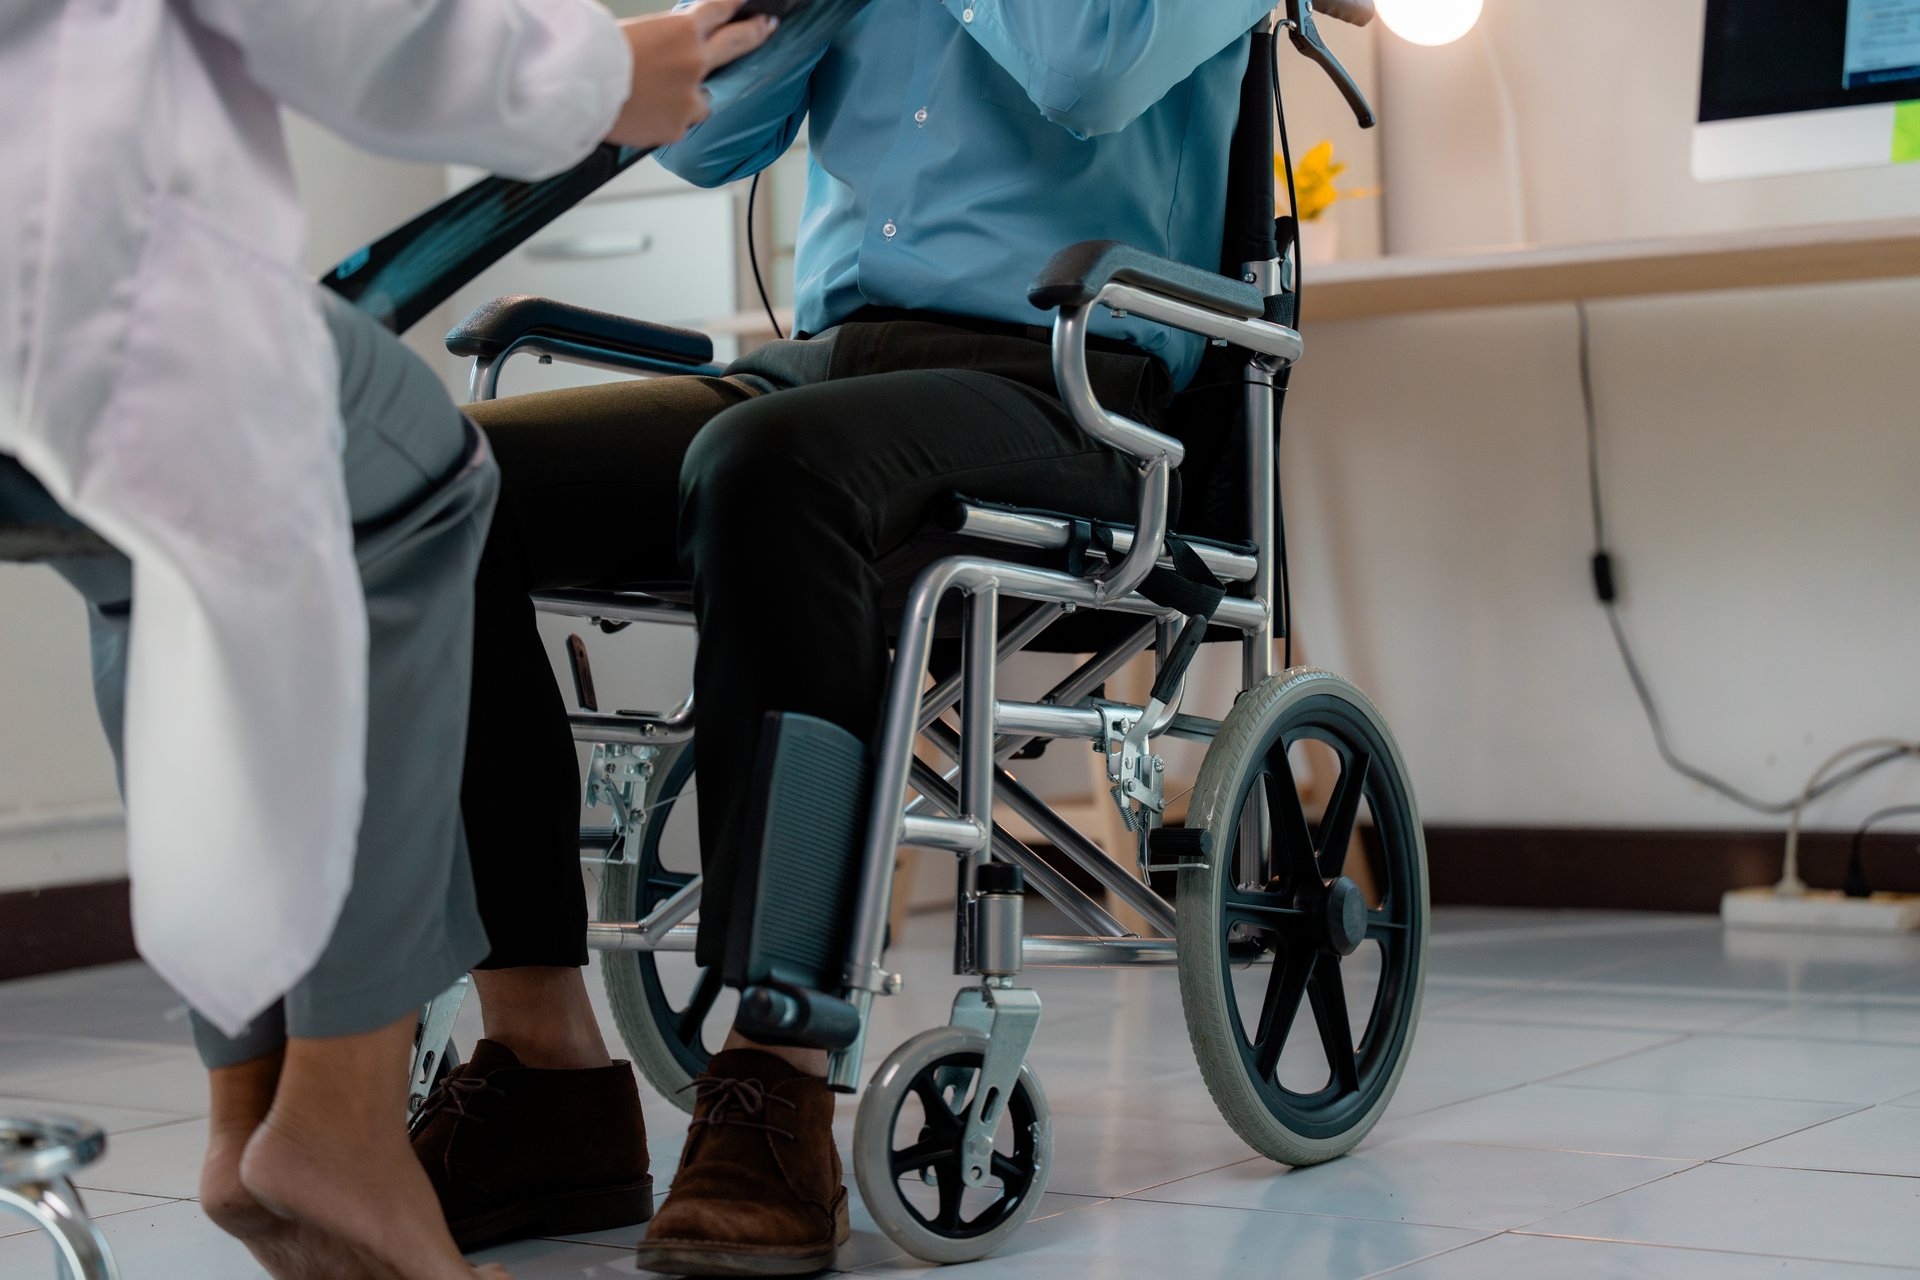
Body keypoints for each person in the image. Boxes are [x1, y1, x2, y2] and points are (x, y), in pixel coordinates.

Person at [419, 1, 1284, 1275]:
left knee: (772, 469)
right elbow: (708, 141)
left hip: (1073, 385)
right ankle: (545, 1063)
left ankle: (778, 1064)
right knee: (436, 485)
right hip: (826, 368)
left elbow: (1088, 71)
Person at [0, 3, 772, 1278]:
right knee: (424, 489)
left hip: (46, 338)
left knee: (158, 567)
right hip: (87, 275)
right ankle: (341, 1116)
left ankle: (247, 1116)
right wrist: (591, 73)